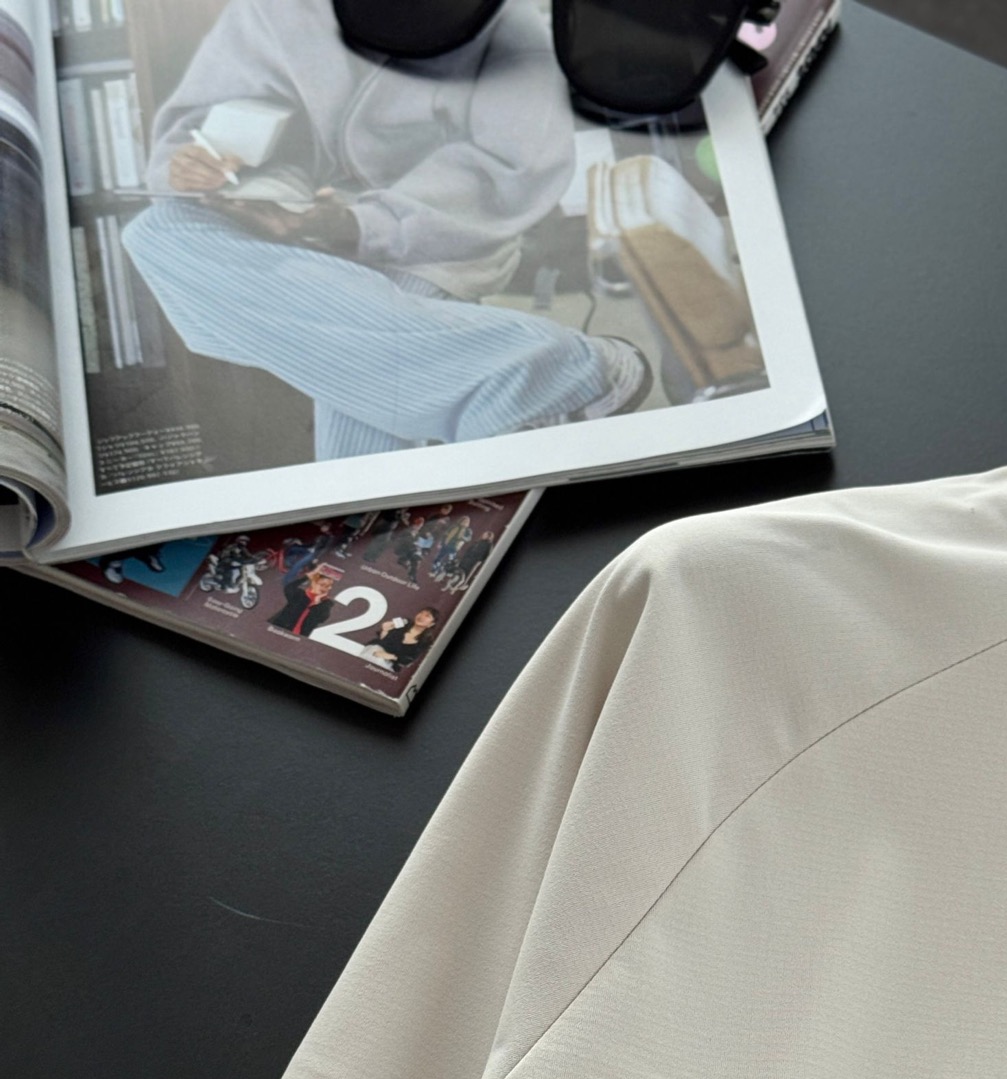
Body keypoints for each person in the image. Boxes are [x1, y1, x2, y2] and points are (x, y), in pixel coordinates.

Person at [120, 0, 650, 463]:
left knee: (361, 462)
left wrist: (355, 223)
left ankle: (550, 379)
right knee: (158, 231)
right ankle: (558, 370)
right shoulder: (271, 9)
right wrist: (202, 164)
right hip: (293, 216)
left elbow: (506, 176)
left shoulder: (511, 29)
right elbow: (214, 117)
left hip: (432, 233)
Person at [270, 564, 338, 637]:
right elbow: (289, 588)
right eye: (321, 585)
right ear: (313, 583)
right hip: (279, 628)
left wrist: (315, 604)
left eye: (327, 586)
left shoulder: (326, 603)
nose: (323, 588)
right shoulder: (300, 594)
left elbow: (322, 619)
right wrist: (308, 576)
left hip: (300, 636)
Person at [370, 606, 440, 670]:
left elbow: (409, 660)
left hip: (391, 665)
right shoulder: (404, 623)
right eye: (421, 613)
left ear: (431, 624)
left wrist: (392, 657)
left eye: (427, 616)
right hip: (375, 651)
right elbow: (382, 639)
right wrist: (385, 630)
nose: (421, 616)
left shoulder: (425, 642)